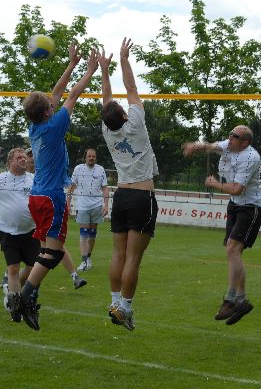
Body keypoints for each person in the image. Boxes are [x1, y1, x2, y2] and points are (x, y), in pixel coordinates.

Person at [16, 43, 98, 330]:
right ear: (48, 112)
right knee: (52, 255)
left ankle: (30, 297)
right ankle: (23, 298)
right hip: (51, 198)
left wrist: (72, 64)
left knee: (45, 252)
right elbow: (71, 95)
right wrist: (90, 70)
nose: (54, 103)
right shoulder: (54, 126)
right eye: (51, 105)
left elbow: (56, 94)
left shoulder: (36, 126)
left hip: (37, 197)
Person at [99, 38, 159, 331]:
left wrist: (103, 70)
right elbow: (132, 88)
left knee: (118, 254)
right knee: (134, 258)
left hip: (121, 196)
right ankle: (125, 307)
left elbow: (106, 100)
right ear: (124, 114)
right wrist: (123, 59)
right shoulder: (135, 123)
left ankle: (114, 302)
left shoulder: (107, 130)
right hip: (141, 197)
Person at [182, 125, 261, 325]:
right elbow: (210, 146)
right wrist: (194, 146)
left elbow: (236, 189)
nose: (229, 138)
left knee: (232, 250)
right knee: (233, 253)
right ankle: (242, 301)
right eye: (230, 134)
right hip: (235, 205)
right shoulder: (229, 144)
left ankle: (230, 299)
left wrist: (215, 183)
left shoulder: (251, 157)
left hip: (250, 206)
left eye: (234, 136)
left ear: (245, 142)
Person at [0, 147, 86, 306]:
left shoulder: (35, 179)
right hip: (8, 231)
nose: (25, 159)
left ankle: (14, 291)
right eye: (21, 157)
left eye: (26, 157)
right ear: (10, 161)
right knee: (14, 268)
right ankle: (16, 302)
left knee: (35, 266)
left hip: (32, 231)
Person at [67, 148, 109, 272]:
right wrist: (68, 204)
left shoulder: (101, 169)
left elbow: (105, 188)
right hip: (82, 206)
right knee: (84, 232)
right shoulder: (78, 169)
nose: (91, 158)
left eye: (93, 156)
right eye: (89, 156)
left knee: (92, 233)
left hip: (96, 206)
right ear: (85, 157)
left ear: (96, 158)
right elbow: (71, 186)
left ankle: (88, 258)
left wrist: (106, 205)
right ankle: (84, 261)